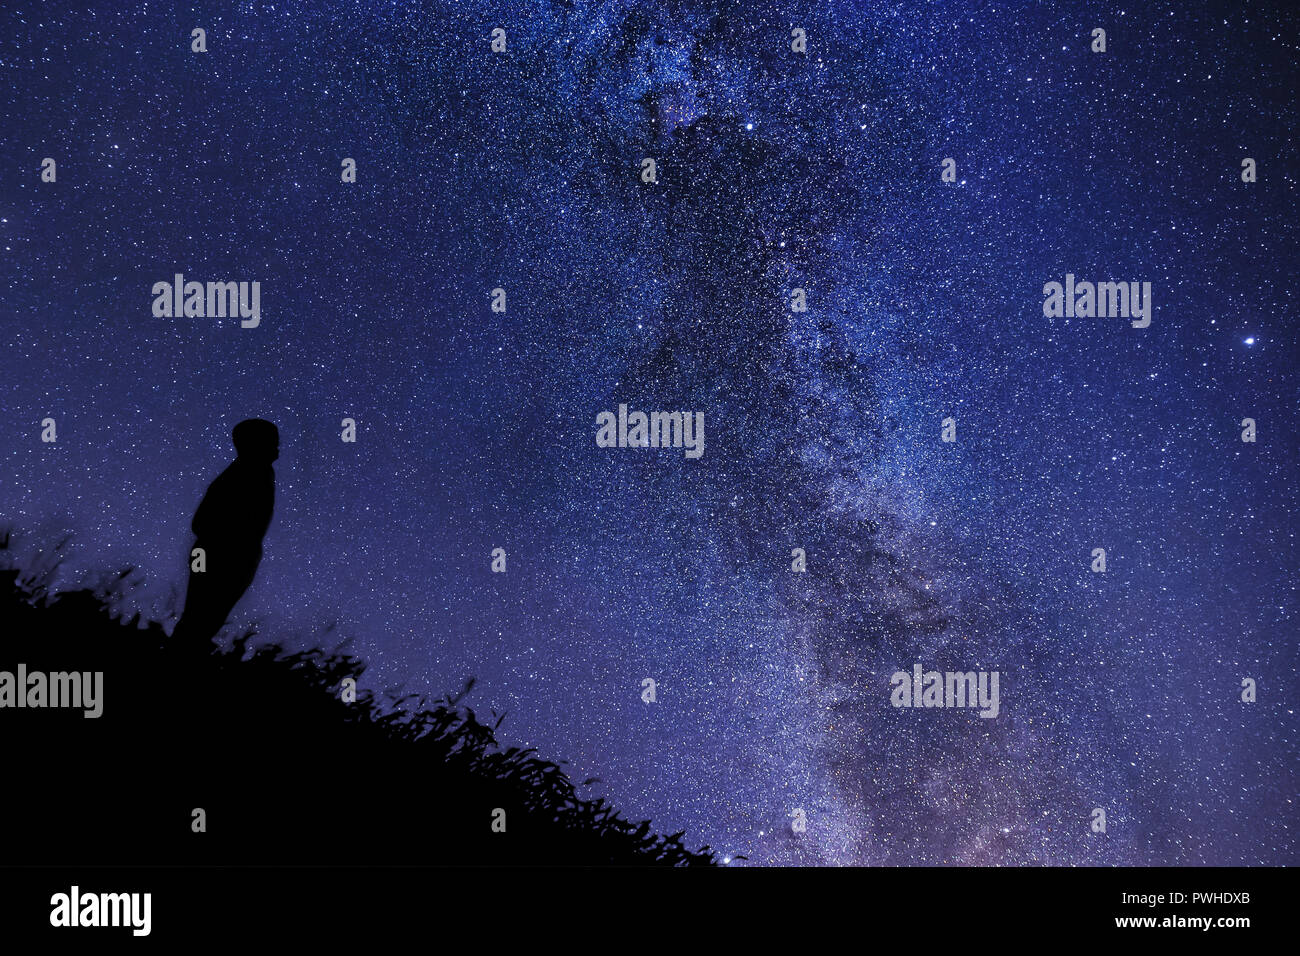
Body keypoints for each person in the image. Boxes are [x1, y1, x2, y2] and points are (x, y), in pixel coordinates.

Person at [174, 419, 278, 642]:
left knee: (202, 623)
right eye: (271, 440)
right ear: (252, 443)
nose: (278, 446)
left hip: (232, 557)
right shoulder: (244, 473)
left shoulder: (258, 472)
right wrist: (232, 544)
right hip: (223, 558)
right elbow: (201, 522)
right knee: (198, 623)